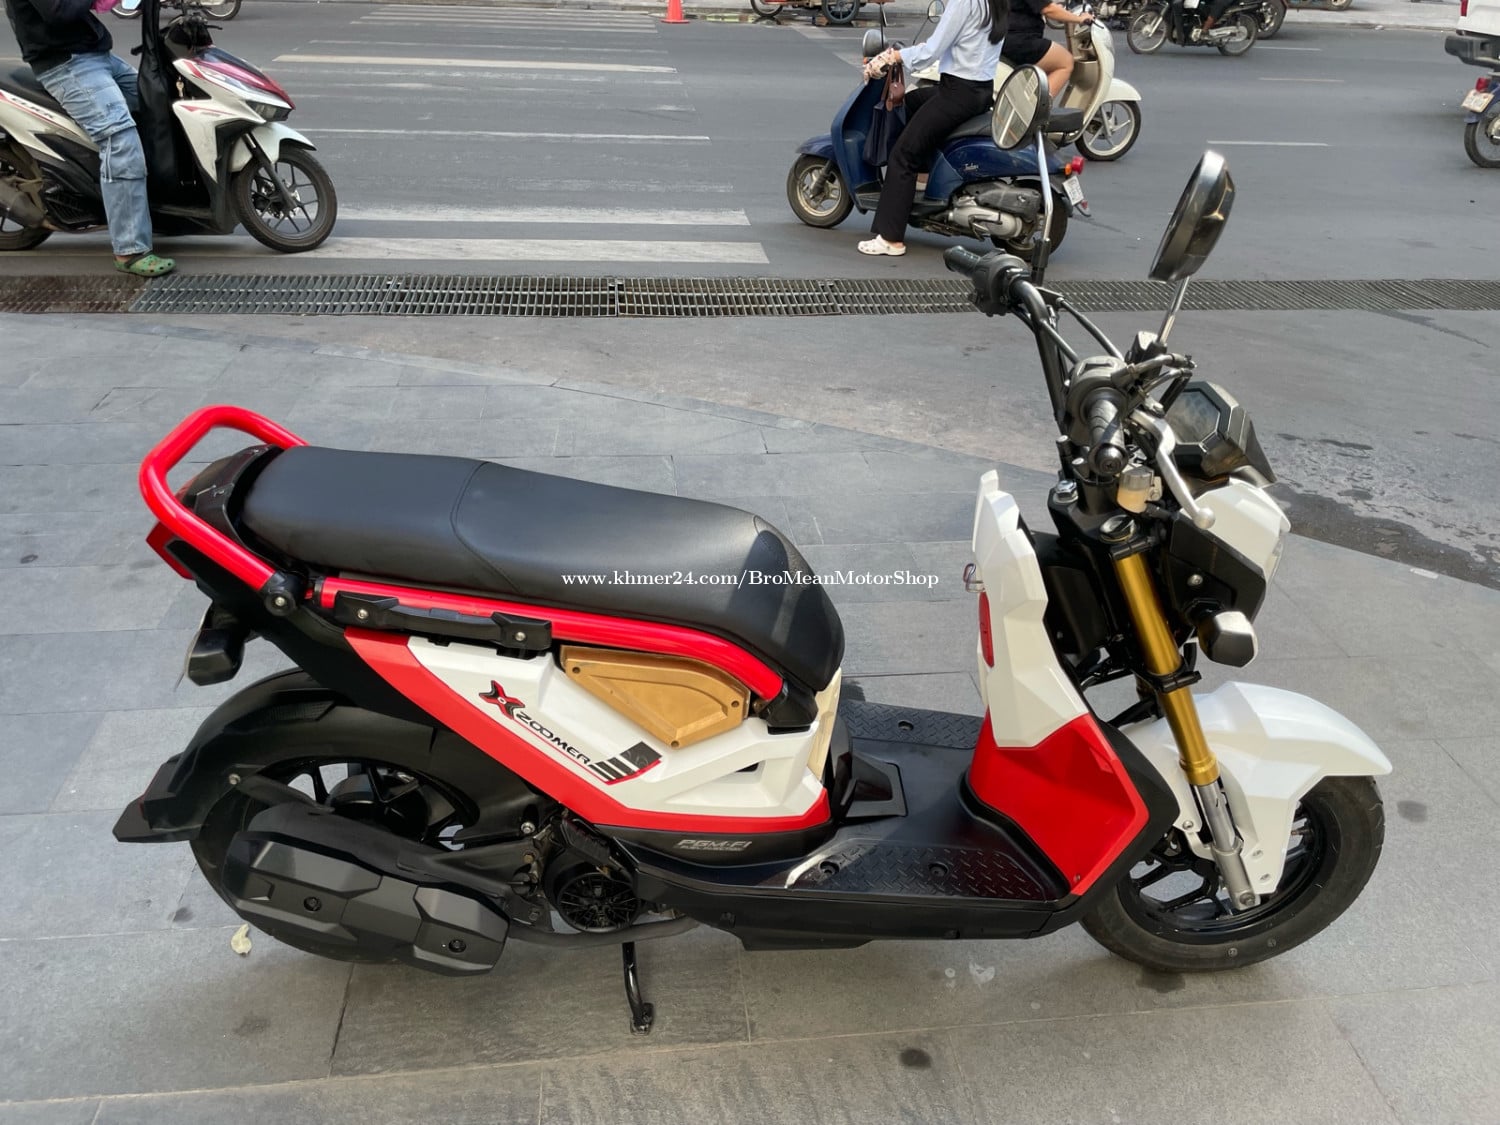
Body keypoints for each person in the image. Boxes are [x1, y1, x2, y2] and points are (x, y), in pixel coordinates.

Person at [2, 0, 175, 275]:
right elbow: (59, 12)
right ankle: (129, 249)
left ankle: (158, 208)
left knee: (160, 106)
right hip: (66, 64)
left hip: (97, 54)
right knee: (120, 138)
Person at [857, 0, 1010, 258]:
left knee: (903, 156)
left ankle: (890, 239)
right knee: (911, 103)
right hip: (980, 90)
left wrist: (892, 56)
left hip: (957, 93)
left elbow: (932, 50)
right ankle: (922, 178)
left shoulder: (964, 2)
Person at [1000, 0, 1094, 99]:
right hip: (1019, 40)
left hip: (1006, 36)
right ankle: (1037, 106)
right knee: (1065, 62)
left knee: (1049, 64)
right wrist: (1079, 19)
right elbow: (1048, 9)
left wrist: (1058, 9)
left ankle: (1030, 98)